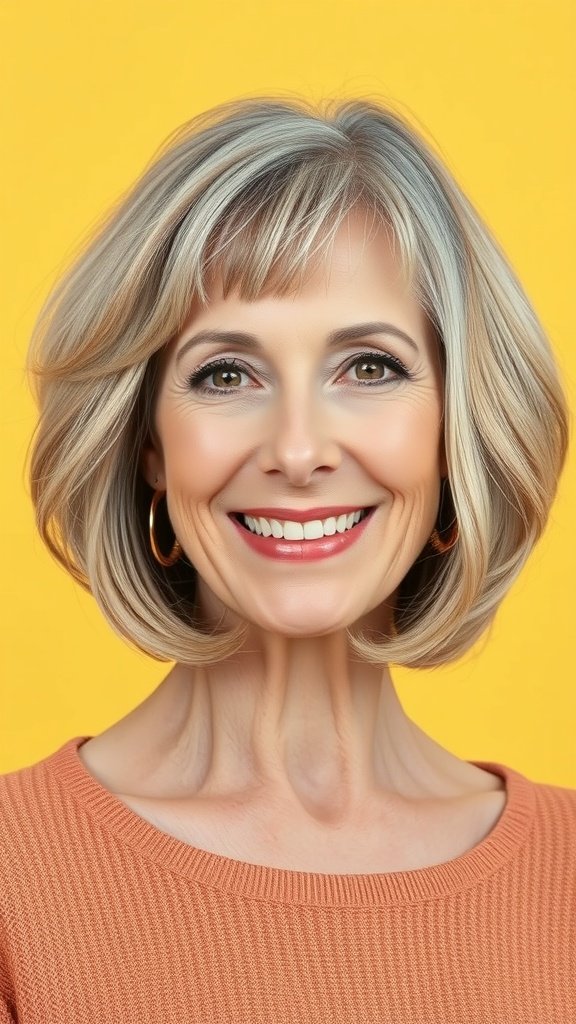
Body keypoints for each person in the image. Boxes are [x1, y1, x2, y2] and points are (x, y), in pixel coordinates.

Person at [0, 95, 574, 1023]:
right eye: (227, 374)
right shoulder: (15, 888)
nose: (299, 450)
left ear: (453, 430)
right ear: (149, 442)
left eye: (370, 367)